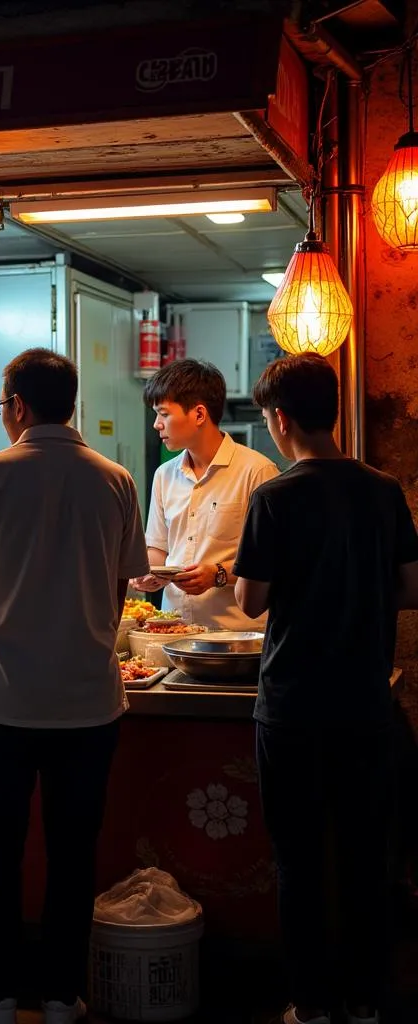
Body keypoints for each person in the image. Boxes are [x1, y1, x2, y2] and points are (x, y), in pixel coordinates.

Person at [0, 348, 149, 1024]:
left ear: (18, 407)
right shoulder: (115, 479)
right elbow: (119, 588)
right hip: (88, 703)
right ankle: (62, 995)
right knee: (73, 852)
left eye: (3, 406)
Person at [234, 354, 418, 1024]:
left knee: (299, 860)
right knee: (368, 859)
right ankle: (366, 1004)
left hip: (291, 710)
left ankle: (310, 1006)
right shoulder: (383, 489)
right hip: (367, 703)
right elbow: (412, 589)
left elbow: (251, 601)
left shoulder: (274, 497)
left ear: (280, 420)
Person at [131, 359, 279, 630]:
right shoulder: (164, 475)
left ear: (199, 414)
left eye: (163, 414)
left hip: (238, 636)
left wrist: (218, 574)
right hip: (175, 630)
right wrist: (148, 572)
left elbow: (275, 562)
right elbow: (158, 549)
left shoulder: (257, 471)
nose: (156, 424)